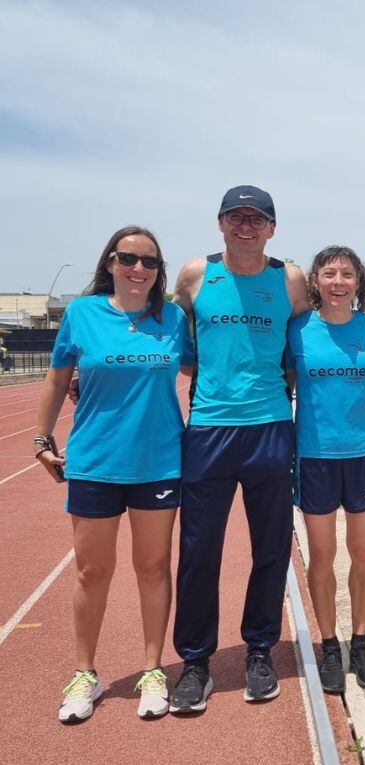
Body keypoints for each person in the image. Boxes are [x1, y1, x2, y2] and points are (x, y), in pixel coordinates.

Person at [35, 226, 192, 722]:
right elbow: (59, 377)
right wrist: (42, 440)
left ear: (158, 270)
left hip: (159, 461)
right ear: (110, 262)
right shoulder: (82, 315)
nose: (138, 268)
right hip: (96, 462)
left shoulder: (174, 320)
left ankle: (152, 670)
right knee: (91, 570)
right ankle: (85, 673)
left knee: (153, 568)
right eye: (129, 258)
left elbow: (202, 368)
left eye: (149, 261)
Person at [170, 186, 309, 713]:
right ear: (221, 223)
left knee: (270, 548)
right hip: (209, 429)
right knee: (199, 550)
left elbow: (311, 336)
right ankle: (197, 662)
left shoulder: (289, 280)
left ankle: (259, 650)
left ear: (272, 227)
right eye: (236, 217)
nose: (246, 226)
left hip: (272, 428)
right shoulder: (195, 275)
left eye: (257, 218)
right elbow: (161, 330)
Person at [286, 246, 365, 693]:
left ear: (358, 282)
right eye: (329, 273)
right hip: (314, 456)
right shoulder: (297, 331)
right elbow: (285, 384)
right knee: (323, 555)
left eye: (346, 274)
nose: (337, 281)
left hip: (363, 455)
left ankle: (361, 641)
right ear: (316, 281)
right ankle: (329, 644)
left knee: (363, 552)